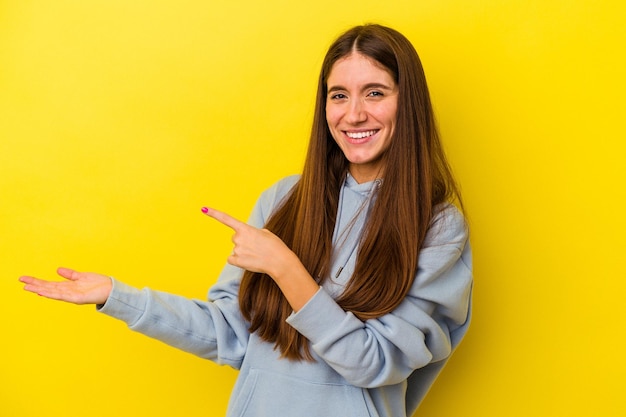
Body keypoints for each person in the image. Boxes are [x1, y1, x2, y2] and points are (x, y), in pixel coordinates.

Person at [19, 24, 472, 417]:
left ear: (406, 102)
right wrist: (117, 297)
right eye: (339, 95)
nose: (353, 114)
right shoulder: (285, 199)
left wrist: (285, 267)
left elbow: (373, 363)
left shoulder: (437, 227)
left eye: (375, 92)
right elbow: (231, 335)